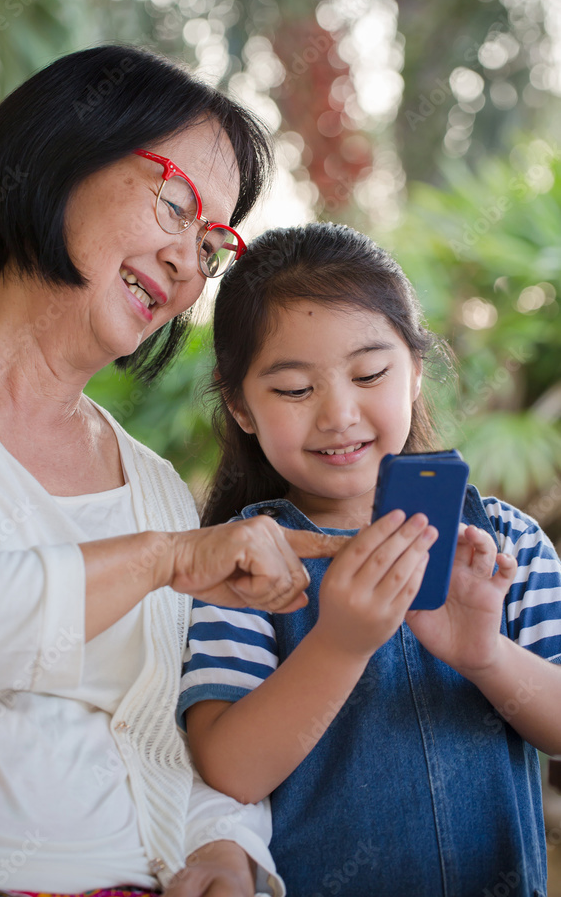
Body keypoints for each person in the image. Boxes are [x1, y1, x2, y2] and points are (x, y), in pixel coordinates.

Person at [0, 47, 349, 897]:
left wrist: (224, 844)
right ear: (59, 152)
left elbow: (169, 734)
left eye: (211, 244)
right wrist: (161, 560)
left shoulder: (151, 486)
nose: (187, 263)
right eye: (175, 205)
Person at [178, 222, 561, 897]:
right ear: (239, 404)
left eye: (369, 373)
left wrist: (484, 655)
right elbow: (229, 768)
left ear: (413, 370)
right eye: (294, 389)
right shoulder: (239, 562)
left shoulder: (504, 542)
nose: (338, 414)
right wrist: (339, 643)